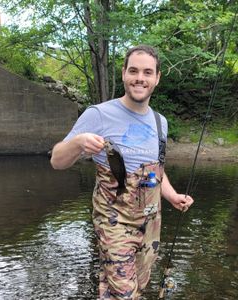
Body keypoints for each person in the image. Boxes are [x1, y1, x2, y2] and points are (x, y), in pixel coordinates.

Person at [50, 45, 194, 300]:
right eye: (134, 70)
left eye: (147, 72)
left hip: (151, 224)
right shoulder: (99, 114)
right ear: (124, 74)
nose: (140, 78)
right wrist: (78, 142)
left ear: (157, 78)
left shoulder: (161, 122)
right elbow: (57, 161)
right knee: (126, 293)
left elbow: (157, 168)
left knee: (132, 287)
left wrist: (172, 196)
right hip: (114, 223)